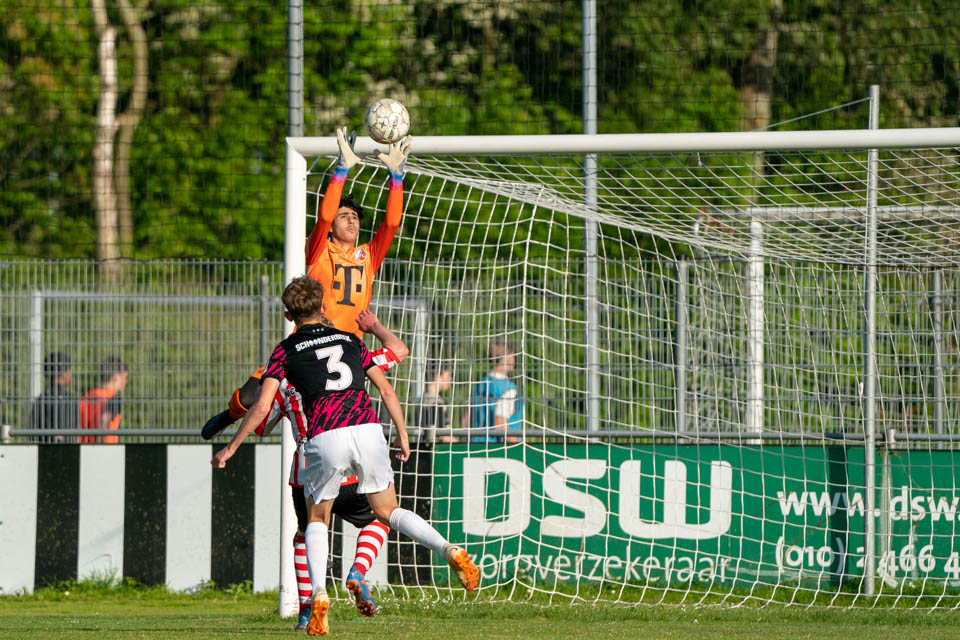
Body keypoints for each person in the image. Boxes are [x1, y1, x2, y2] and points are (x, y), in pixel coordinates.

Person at [212, 276, 478, 637]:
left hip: (324, 438)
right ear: (324, 307)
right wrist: (401, 434)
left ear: (290, 315)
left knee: (316, 520)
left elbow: (260, 407)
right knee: (388, 511)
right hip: (368, 430)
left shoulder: (285, 351)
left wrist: (231, 447)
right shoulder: (351, 340)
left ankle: (319, 595)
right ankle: (447, 548)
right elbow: (386, 388)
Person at [200, 309, 408, 627]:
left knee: (305, 534)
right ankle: (358, 570)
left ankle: (308, 607)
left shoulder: (286, 376)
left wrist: (235, 427)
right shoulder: (354, 353)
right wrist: (375, 326)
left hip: (309, 468)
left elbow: (261, 423)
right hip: (354, 461)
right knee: (381, 519)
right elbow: (398, 350)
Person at [305, 127, 411, 339]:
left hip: (351, 347)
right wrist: (341, 172)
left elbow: (391, 224)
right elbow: (324, 217)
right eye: (343, 216)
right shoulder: (319, 250)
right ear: (332, 228)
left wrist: (396, 179)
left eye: (354, 216)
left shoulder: (368, 256)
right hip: (314, 342)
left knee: (399, 351)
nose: (352, 219)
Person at [465, 339, 523, 443]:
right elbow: (500, 424)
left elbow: (466, 420)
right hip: (495, 448)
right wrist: (519, 446)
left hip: (474, 445)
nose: (514, 360)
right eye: (513, 356)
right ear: (506, 358)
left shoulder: (481, 384)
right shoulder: (508, 388)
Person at [28, 351, 78, 443]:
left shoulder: (41, 399)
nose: (71, 374)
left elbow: (32, 430)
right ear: (64, 373)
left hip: (42, 450)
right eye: (69, 370)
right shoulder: (69, 400)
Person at [78, 356, 129, 444]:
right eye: (124, 377)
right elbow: (104, 421)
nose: (125, 381)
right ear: (116, 377)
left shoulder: (87, 397)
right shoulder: (113, 399)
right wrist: (102, 447)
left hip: (84, 449)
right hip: (106, 449)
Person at [414, 360, 454, 444]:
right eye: (448, 376)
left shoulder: (421, 399)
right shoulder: (434, 402)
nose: (450, 379)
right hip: (437, 448)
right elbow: (442, 435)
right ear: (436, 376)